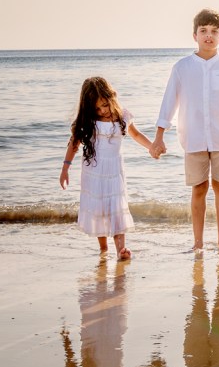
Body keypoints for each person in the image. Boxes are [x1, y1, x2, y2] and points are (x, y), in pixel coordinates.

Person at [153, 9, 219, 251]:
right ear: (195, 35)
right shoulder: (182, 67)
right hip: (193, 137)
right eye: (203, 31)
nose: (209, 36)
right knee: (199, 188)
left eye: (214, 32)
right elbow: (169, 102)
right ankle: (198, 243)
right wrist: (159, 137)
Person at [59, 76, 155, 260]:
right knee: (99, 209)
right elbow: (74, 144)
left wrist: (151, 147)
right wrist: (65, 169)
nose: (102, 110)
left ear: (111, 98)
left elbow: (136, 134)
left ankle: (121, 249)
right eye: (97, 108)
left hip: (114, 172)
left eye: (104, 104)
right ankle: (103, 248)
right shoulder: (89, 121)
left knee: (116, 207)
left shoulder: (123, 117)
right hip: (93, 173)